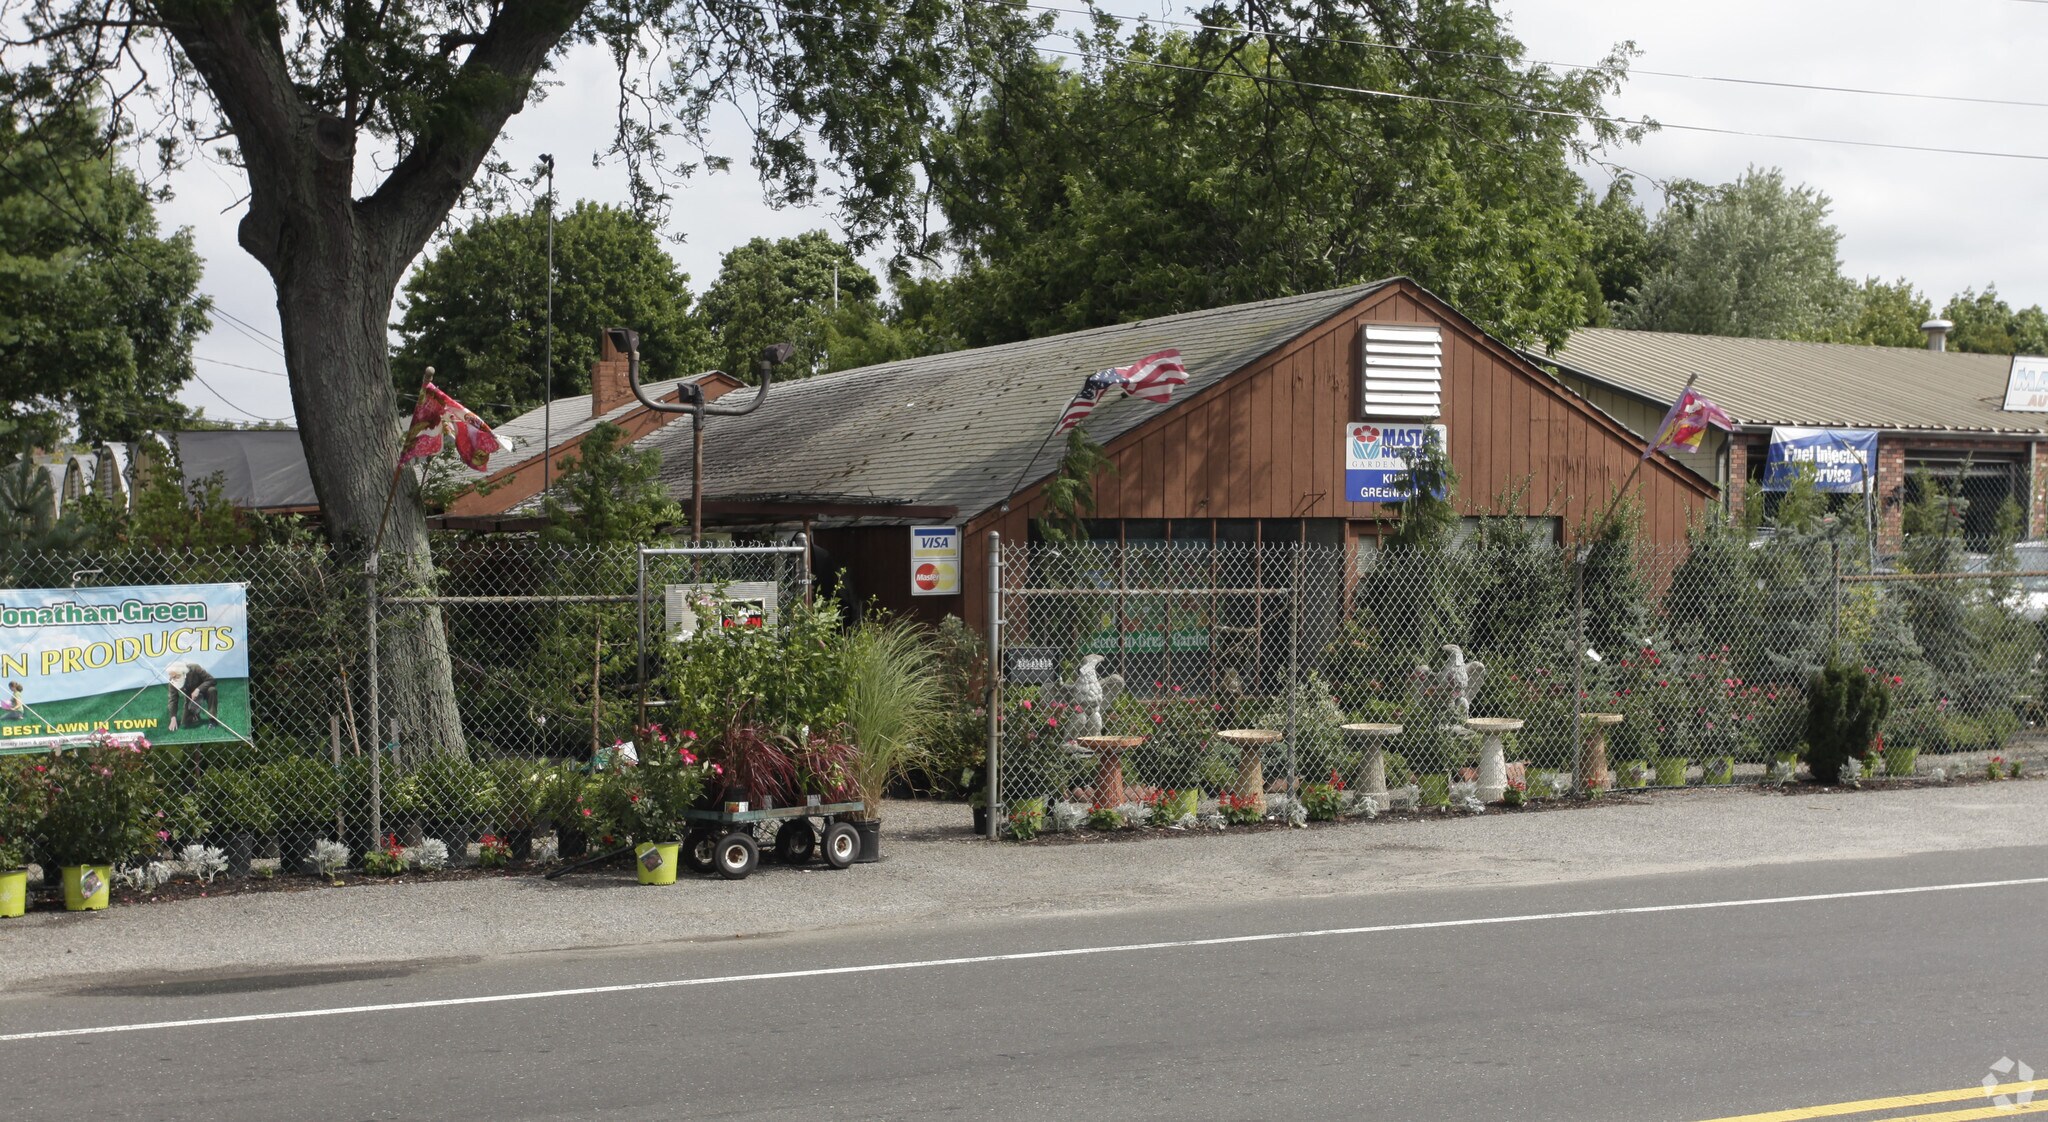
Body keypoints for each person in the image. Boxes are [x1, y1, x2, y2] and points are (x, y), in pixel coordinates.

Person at [165, 662, 219, 731]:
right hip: (191, 698)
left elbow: (212, 680)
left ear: (182, 673)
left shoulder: (195, 668)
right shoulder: (172, 681)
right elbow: (172, 699)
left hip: (205, 691)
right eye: (171, 676)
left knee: (212, 690)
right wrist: (173, 717)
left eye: (175, 676)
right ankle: (196, 715)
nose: (173, 679)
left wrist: (198, 689)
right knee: (185, 723)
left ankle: (212, 720)